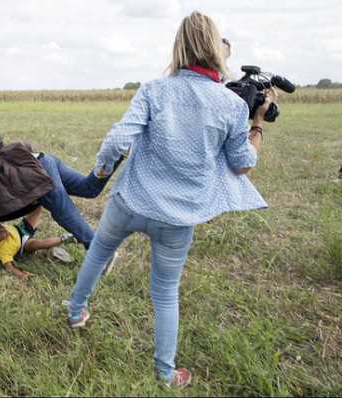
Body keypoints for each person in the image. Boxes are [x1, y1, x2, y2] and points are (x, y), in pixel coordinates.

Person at [66, 11, 276, 389]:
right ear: (216, 49)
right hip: (178, 217)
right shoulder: (231, 106)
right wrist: (256, 122)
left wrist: (100, 174)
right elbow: (243, 164)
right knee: (164, 291)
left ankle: (75, 312)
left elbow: (117, 141)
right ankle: (166, 373)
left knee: (98, 252)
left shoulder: (154, 90)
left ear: (179, 46)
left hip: (130, 200)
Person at [0, 206, 75, 279]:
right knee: (37, 244)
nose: (5, 231)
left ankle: (41, 200)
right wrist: (21, 275)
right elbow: (9, 267)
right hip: (23, 245)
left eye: (2, 229)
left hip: (21, 228)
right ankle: (63, 239)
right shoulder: (3, 251)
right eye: (3, 235)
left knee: (37, 208)